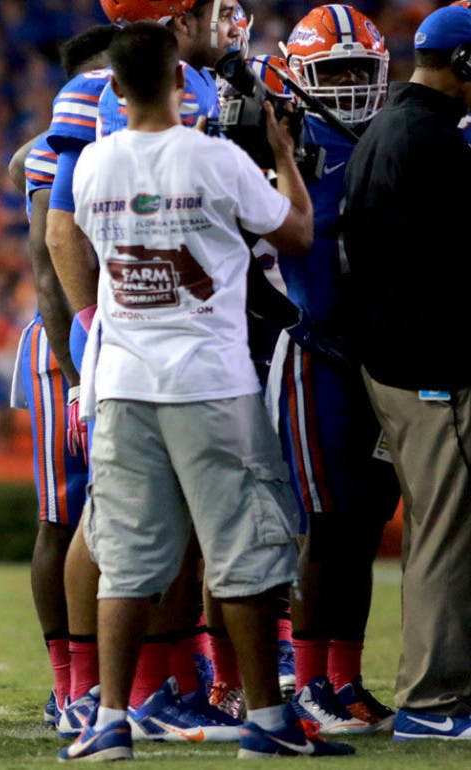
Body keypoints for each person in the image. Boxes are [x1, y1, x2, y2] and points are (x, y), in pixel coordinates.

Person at [59, 21, 354, 760]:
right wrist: (283, 155)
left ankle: (109, 723)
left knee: (125, 559)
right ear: (180, 83)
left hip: (124, 379)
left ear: (116, 88)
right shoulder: (214, 157)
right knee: (246, 553)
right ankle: (267, 718)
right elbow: (295, 234)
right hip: (208, 380)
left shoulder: (93, 164)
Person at [264, 4, 399, 737]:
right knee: (325, 522)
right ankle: (310, 678)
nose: (347, 87)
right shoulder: (284, 144)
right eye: (334, 72)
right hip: (315, 354)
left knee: (364, 525)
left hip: (376, 358)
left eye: (358, 72)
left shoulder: (389, 138)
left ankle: (344, 677)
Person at [340, 3, 471, 742]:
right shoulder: (430, 139)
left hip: (400, 363)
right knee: (447, 535)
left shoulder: (392, 125)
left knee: (440, 529)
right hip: (430, 368)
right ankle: (433, 700)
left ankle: (445, 690)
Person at [7, 22, 115, 733]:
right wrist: (79, 375)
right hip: (66, 349)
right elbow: (52, 272)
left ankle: (138, 673)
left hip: (127, 343)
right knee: (64, 513)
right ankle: (69, 682)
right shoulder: (56, 151)